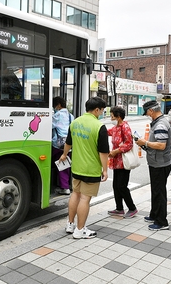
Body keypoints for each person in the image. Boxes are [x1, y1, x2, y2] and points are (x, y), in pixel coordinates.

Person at [60, 97, 109, 239]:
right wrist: (105, 170)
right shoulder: (99, 126)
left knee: (75, 194)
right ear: (96, 109)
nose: (102, 112)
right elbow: (103, 152)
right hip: (91, 169)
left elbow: (68, 143)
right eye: (102, 110)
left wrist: (64, 155)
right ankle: (80, 230)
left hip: (76, 167)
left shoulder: (75, 123)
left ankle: (70, 224)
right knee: (85, 199)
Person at [135, 100, 171, 231]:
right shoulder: (159, 121)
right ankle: (154, 214)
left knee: (159, 192)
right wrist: (144, 144)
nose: (148, 115)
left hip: (160, 164)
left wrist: (145, 142)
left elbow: (161, 145)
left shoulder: (160, 124)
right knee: (156, 191)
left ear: (151, 110)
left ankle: (162, 222)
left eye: (147, 113)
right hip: (158, 162)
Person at [106, 106, 138, 218]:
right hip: (116, 162)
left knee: (122, 186)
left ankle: (132, 208)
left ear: (118, 117)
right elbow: (107, 132)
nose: (111, 119)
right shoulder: (115, 128)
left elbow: (129, 144)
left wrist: (116, 151)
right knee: (115, 185)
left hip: (124, 161)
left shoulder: (125, 127)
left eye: (112, 116)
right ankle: (119, 208)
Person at [52, 96, 73, 195]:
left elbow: (50, 125)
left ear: (59, 105)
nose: (54, 108)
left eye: (54, 106)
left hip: (59, 144)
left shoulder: (58, 115)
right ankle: (66, 185)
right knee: (65, 165)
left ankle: (64, 187)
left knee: (61, 165)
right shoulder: (70, 115)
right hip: (68, 144)